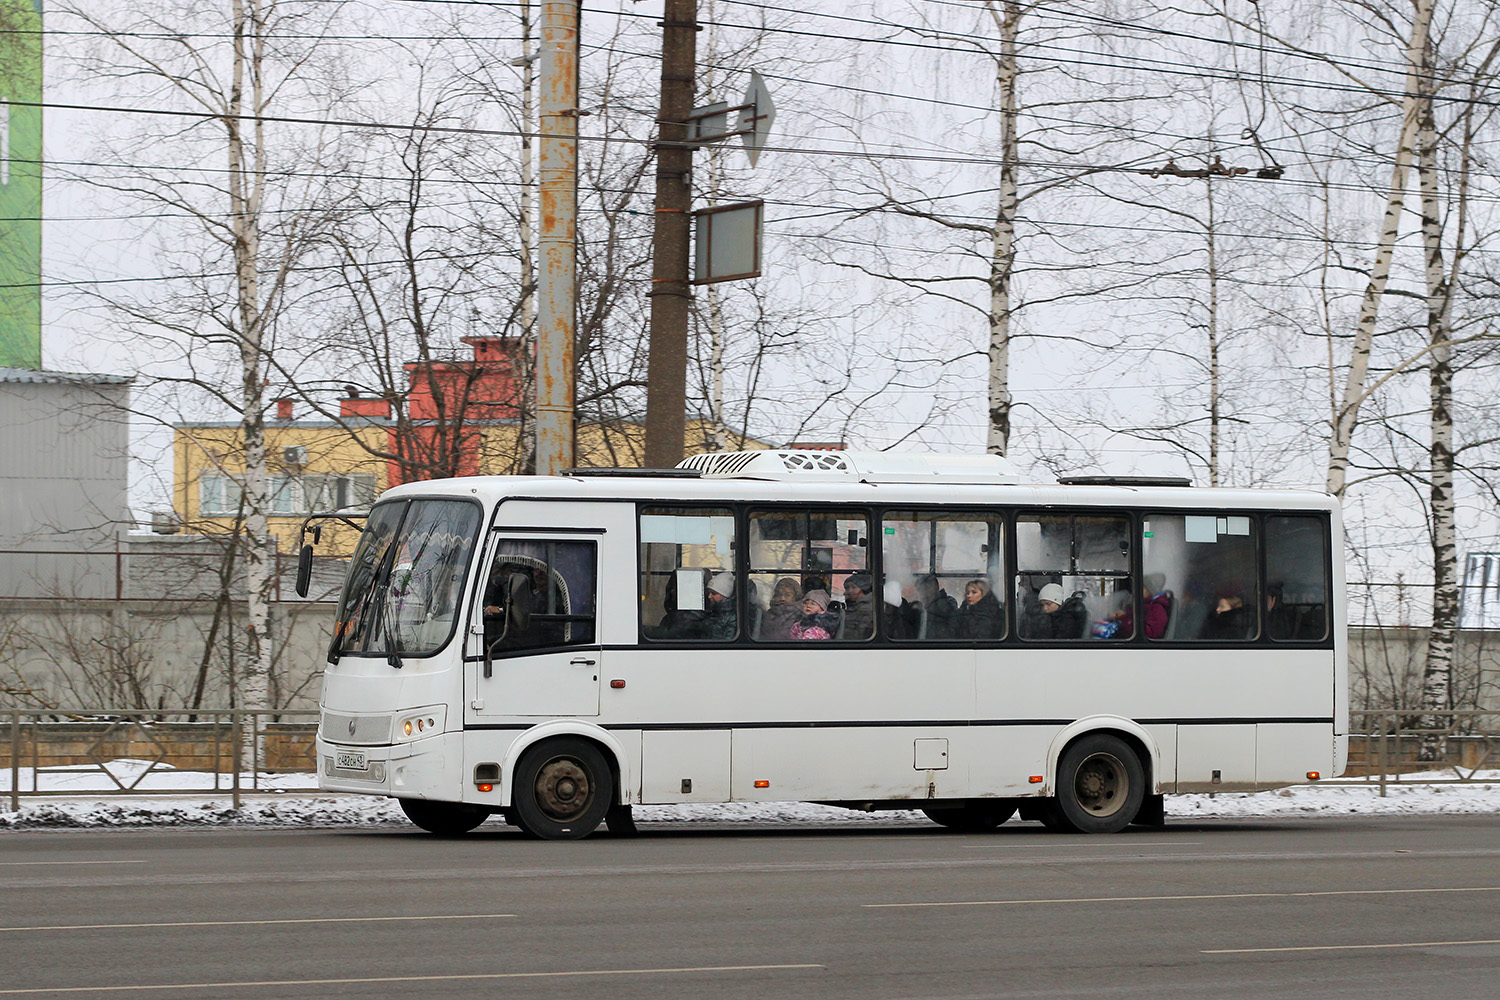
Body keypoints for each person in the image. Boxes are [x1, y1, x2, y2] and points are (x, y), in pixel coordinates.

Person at [914, 574, 959, 639]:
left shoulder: (946, 604)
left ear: (935, 588)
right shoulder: (924, 608)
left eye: (925, 589)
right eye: (920, 590)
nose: (923, 594)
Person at [703, 571, 737, 641]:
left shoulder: (732, 618)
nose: (709, 596)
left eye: (713, 593)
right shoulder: (714, 612)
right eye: (709, 593)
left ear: (725, 595)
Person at [841, 573, 875, 639]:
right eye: (847, 588)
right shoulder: (853, 605)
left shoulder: (867, 608)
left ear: (864, 589)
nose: (850, 591)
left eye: (854, 587)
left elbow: (861, 634)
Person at [1142, 572, 1171, 640]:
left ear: (1150, 590)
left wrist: (1126, 621)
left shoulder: (1158, 609)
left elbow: (1150, 635)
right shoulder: (1145, 605)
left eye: (1143, 587)